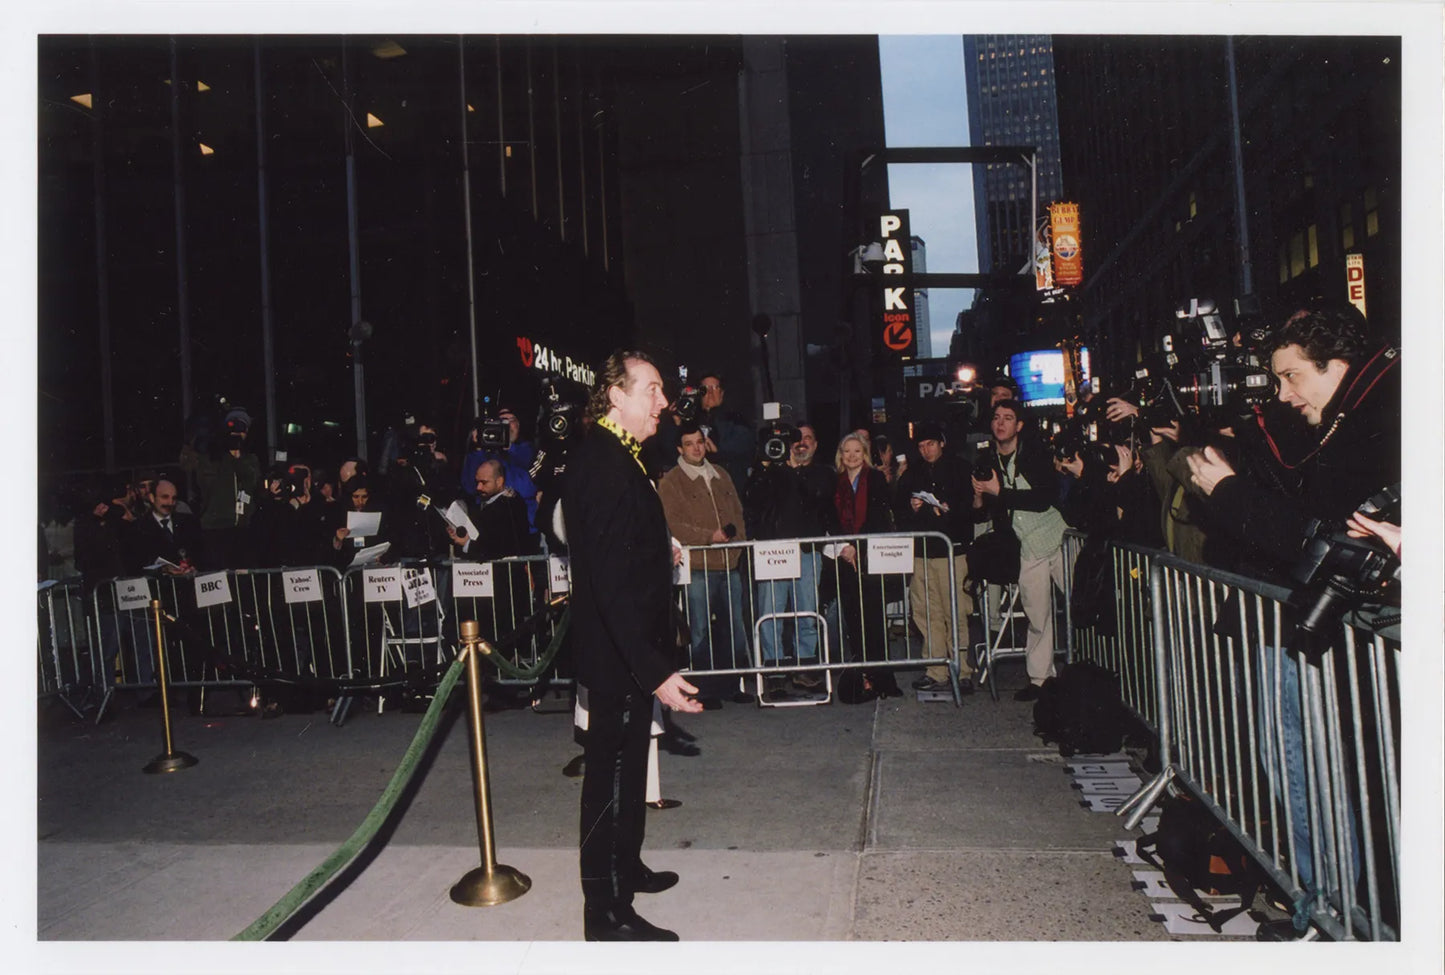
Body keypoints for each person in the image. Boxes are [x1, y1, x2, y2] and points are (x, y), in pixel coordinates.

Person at [1184, 302, 1399, 898]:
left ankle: (1334, 902)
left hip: (1357, 634)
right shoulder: (1348, 419)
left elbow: (1321, 539)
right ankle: (1333, 898)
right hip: (1335, 629)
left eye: (1291, 376)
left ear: (1336, 365)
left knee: (1319, 767)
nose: (1281, 395)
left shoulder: (1378, 422)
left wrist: (1228, 492)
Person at [560, 349, 702, 942]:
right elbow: (609, 585)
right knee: (611, 776)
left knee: (627, 768)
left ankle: (628, 868)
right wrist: (656, 671)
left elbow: (620, 553)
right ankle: (606, 912)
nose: (663, 403)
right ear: (616, 395)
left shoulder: (621, 455)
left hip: (629, 649)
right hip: (619, 653)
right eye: (652, 390)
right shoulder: (604, 462)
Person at [971, 399, 1069, 702]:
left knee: (1081, 606)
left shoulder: (1035, 454)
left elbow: (1043, 499)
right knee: (1037, 615)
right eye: (997, 417)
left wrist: (999, 493)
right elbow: (985, 510)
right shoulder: (989, 460)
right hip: (1027, 545)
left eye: (1008, 418)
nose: (1001, 423)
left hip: (1059, 536)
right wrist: (979, 497)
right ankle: (1041, 679)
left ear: (1019, 425)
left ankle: (1093, 671)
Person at [657, 423, 750, 706]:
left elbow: (738, 513)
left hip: (728, 565)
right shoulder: (672, 481)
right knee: (699, 631)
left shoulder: (721, 474)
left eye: (700, 441)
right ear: (679, 449)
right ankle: (704, 690)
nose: (697, 448)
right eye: (689, 443)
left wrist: (738, 545)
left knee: (734, 629)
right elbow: (672, 523)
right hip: (698, 566)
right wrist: (708, 537)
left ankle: (732, 685)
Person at [743, 420, 837, 694]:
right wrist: (772, 467)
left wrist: (795, 472)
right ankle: (774, 671)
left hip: (807, 553)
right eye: (796, 440)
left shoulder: (822, 473)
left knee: (806, 613)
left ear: (816, 444)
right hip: (773, 552)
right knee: (770, 613)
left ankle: (804, 667)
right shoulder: (771, 472)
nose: (801, 444)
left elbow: (818, 496)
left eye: (807, 438)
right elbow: (752, 498)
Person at [893, 421, 976, 695]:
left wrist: (949, 510)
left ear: (941, 443)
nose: (926, 450)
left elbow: (972, 509)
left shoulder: (961, 468)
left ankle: (962, 668)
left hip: (952, 550)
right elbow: (898, 507)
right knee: (926, 611)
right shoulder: (913, 472)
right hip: (922, 551)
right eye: (921, 446)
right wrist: (913, 506)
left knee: (956, 610)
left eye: (930, 444)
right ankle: (935, 668)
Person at [829, 432, 901, 700]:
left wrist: (858, 547)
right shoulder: (835, 482)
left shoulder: (876, 479)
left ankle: (884, 680)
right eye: (846, 451)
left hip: (870, 558)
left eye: (857, 451)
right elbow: (831, 518)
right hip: (845, 559)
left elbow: (878, 517)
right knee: (854, 621)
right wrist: (845, 547)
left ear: (865, 454)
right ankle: (864, 680)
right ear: (840, 454)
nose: (851, 456)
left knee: (874, 621)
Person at [180, 407, 261, 570]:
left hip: (243, 528)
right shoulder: (211, 457)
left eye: (242, 429)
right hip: (215, 529)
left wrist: (237, 457)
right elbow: (191, 469)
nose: (238, 435)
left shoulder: (250, 459)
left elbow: (252, 482)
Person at [694, 371, 754, 490]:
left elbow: (745, 447)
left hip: (729, 485)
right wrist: (676, 422)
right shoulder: (692, 420)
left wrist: (718, 451)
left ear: (722, 393)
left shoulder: (736, 419)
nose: (710, 392)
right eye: (705, 388)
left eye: (715, 387)